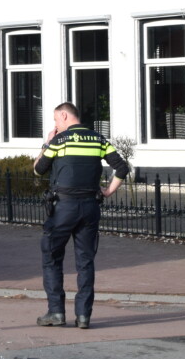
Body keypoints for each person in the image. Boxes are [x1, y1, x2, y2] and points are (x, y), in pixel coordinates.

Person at [33, 102, 130, 330]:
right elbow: (123, 168)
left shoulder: (59, 141)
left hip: (63, 209)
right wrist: (107, 191)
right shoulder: (98, 140)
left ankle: (56, 312)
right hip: (90, 207)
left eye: (56, 120)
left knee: (51, 258)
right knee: (85, 262)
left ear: (64, 116)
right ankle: (83, 316)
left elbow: (38, 169)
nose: (55, 125)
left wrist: (47, 142)